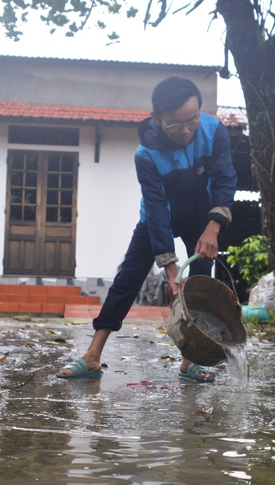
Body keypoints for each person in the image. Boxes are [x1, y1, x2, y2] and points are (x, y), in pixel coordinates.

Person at [57, 76, 237, 382]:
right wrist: (169, 269)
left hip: (202, 216)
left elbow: (225, 178)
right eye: (176, 124)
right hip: (159, 216)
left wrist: (213, 227)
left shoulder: (213, 130)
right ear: (157, 119)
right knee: (127, 279)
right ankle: (92, 356)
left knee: (200, 282)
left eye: (192, 120)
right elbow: (156, 209)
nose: (186, 130)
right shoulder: (146, 155)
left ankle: (190, 361)